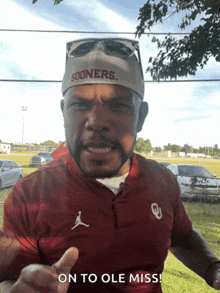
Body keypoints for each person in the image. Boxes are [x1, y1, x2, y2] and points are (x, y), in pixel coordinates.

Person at [0, 38, 220, 293]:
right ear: (63, 113)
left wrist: (213, 268)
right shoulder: (29, 195)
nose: (96, 121)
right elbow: (11, 278)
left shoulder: (162, 181)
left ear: (141, 117)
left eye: (119, 106)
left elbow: (182, 236)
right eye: (80, 104)